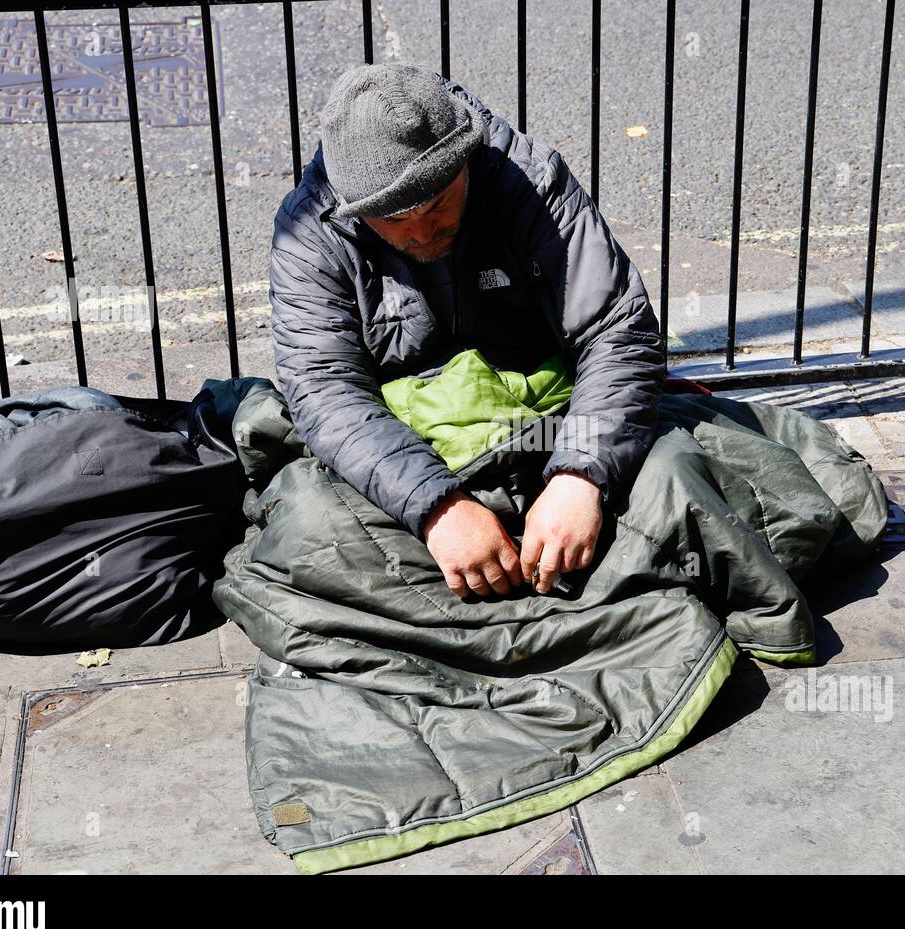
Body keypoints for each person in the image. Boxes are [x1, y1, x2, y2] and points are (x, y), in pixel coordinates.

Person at [268, 60, 664, 600]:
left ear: (466, 162)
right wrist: (438, 507)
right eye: (392, 219)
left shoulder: (530, 180)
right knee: (309, 538)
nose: (422, 230)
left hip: (549, 423)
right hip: (407, 440)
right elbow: (323, 388)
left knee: (675, 484)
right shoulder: (310, 230)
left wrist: (580, 477)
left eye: (436, 204)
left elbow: (617, 329)